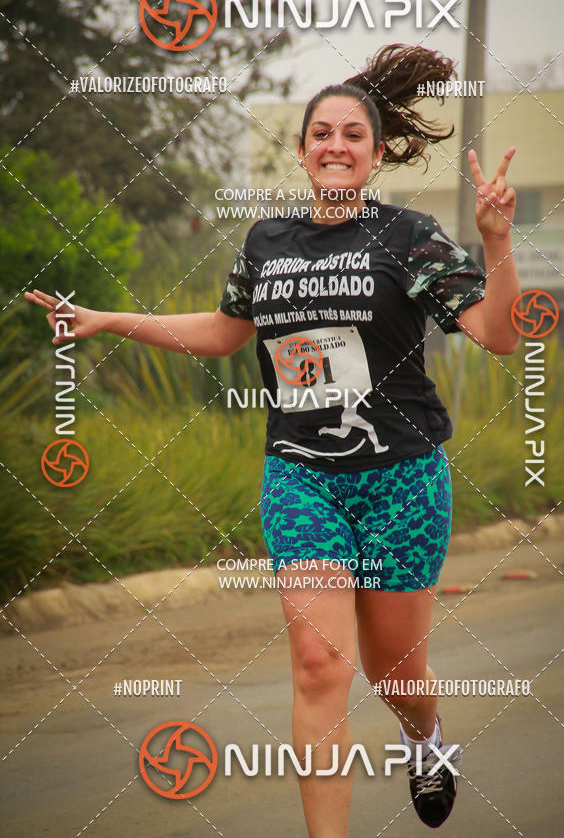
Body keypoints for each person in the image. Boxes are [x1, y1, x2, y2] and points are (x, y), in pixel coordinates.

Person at [26, 43, 520, 836]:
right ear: (301, 151)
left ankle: (425, 738)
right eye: (320, 132)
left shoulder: (411, 237)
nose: (334, 145)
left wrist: (497, 243)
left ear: (377, 152)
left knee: (398, 677)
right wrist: (108, 320)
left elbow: (497, 335)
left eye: (352, 135)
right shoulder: (268, 242)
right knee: (321, 664)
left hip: (402, 479)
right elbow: (224, 333)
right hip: (302, 476)